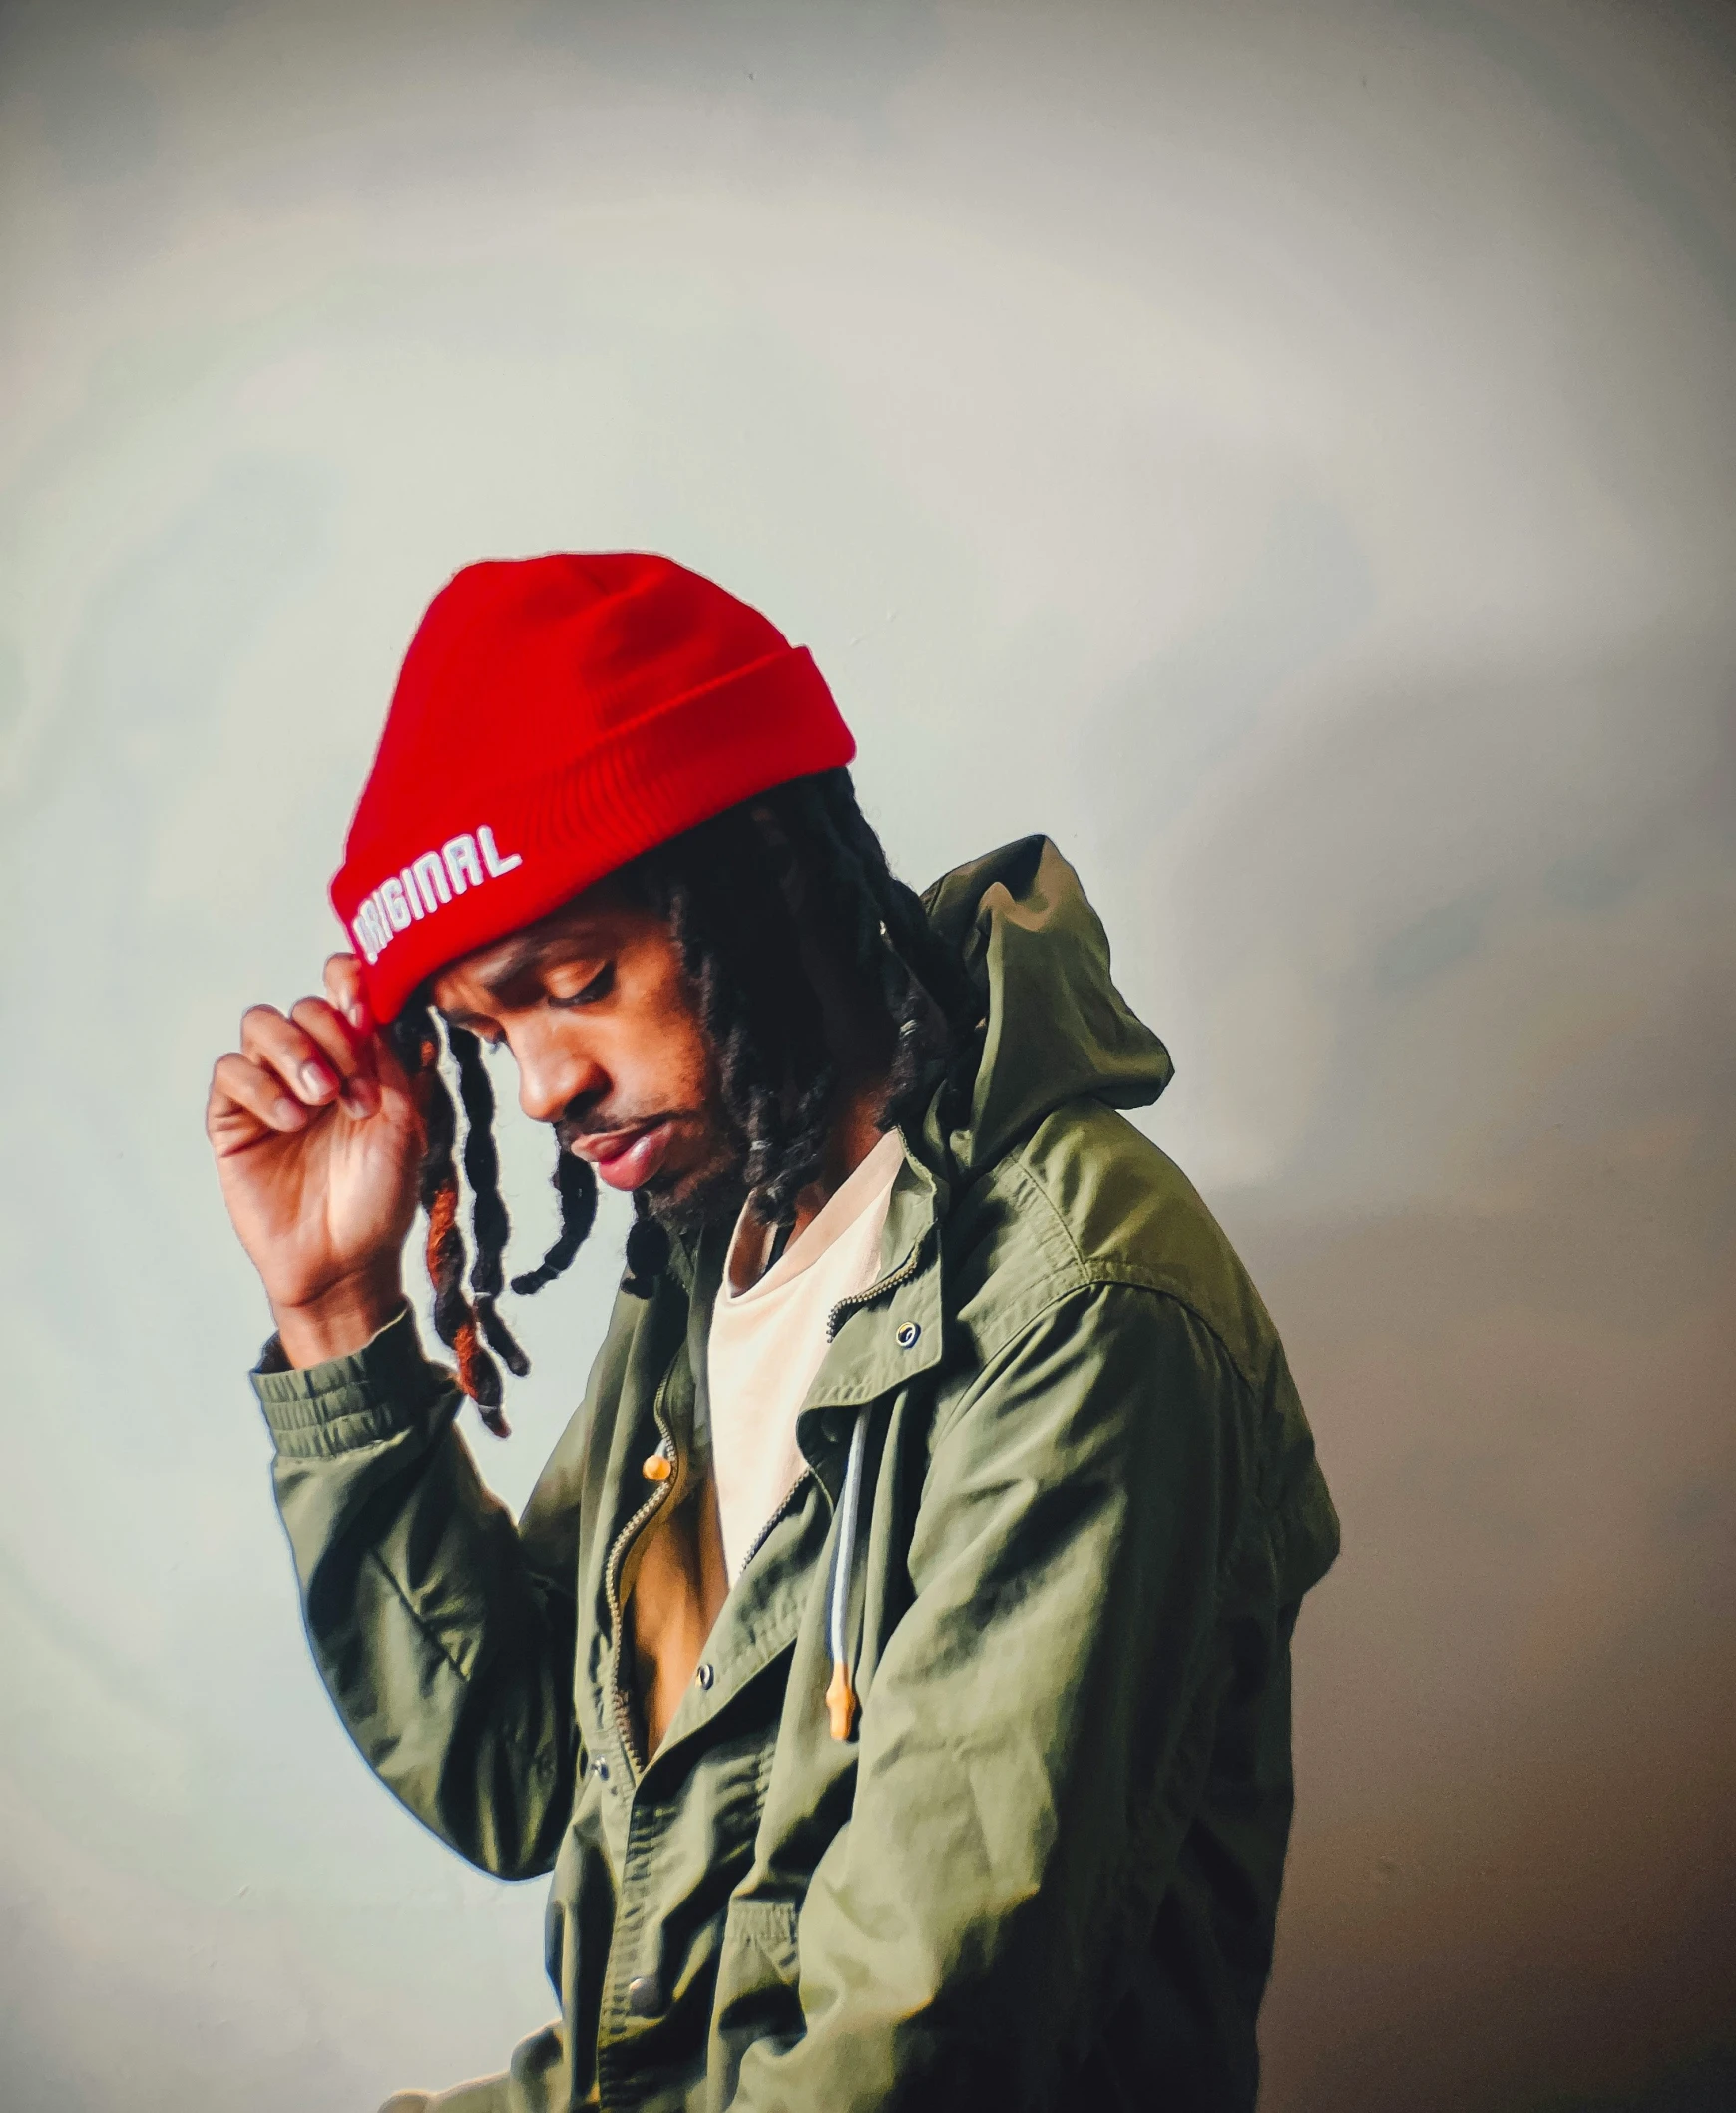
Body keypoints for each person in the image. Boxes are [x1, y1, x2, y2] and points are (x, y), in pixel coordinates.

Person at [207, 553, 1339, 2113]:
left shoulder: (1083, 1303)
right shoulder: (716, 1250)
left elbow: (911, 2048)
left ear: (756, 880)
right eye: (487, 1029)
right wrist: (336, 1312)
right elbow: (529, 1765)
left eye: (583, 981)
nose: (541, 1085)